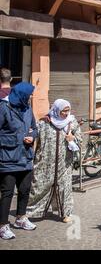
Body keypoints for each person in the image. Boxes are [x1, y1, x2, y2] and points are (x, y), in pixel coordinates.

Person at [27, 99, 82, 223]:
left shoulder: (71, 122)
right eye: (64, 111)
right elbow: (34, 134)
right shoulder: (44, 122)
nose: (66, 113)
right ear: (56, 110)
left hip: (64, 162)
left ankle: (65, 213)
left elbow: (80, 139)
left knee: (64, 188)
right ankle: (33, 211)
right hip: (45, 162)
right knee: (40, 186)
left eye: (68, 110)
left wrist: (72, 138)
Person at [0, 82, 38, 240]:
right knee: (7, 192)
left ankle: (20, 218)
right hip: (8, 158)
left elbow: (35, 127)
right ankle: (2, 226)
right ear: (22, 94)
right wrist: (17, 138)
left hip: (25, 157)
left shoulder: (27, 108)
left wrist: (33, 136)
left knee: (24, 190)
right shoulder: (4, 108)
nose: (31, 97)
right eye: (29, 95)